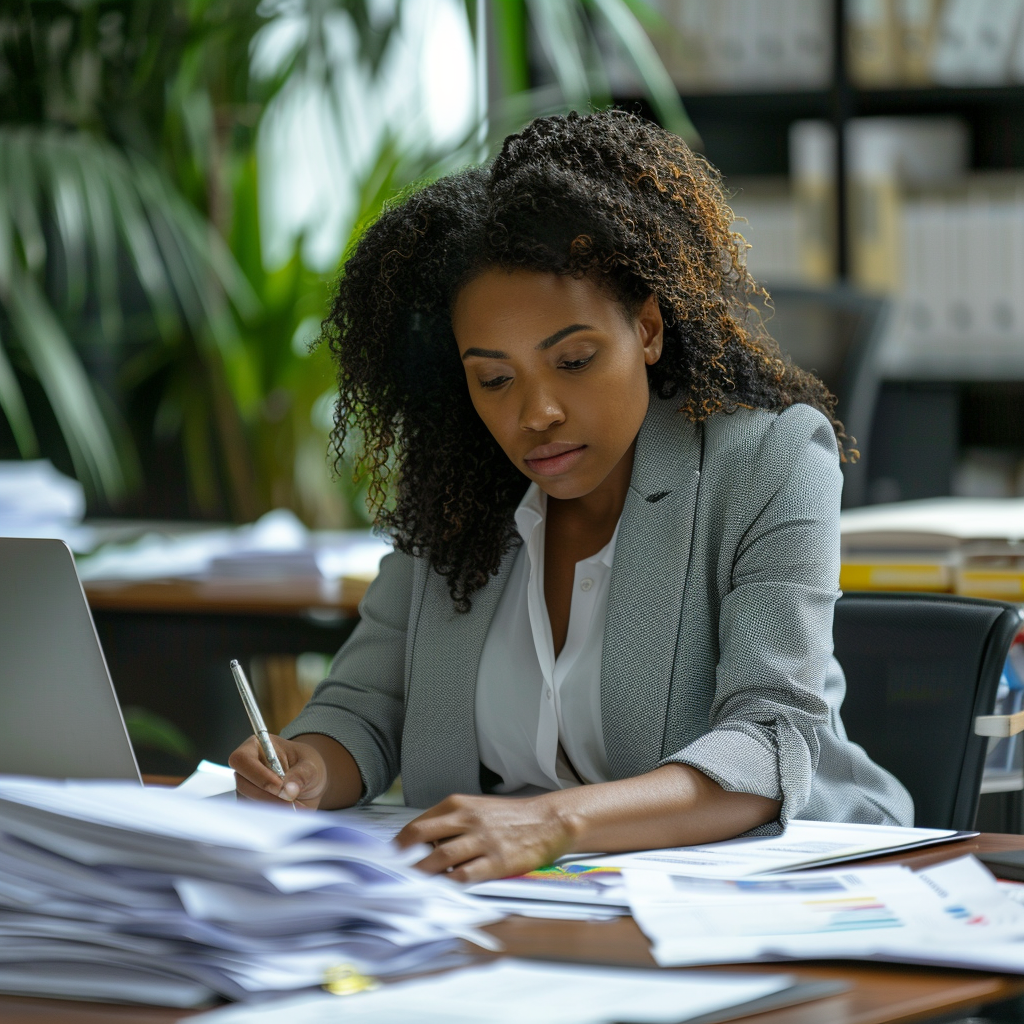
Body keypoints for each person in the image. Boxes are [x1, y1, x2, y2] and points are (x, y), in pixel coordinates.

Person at [230, 110, 913, 882]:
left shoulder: (770, 459)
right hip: (529, 908)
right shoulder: (463, 495)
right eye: (494, 379)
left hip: (786, 891)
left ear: (648, 329)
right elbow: (360, 709)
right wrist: (305, 769)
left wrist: (550, 824)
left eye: (576, 360)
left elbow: (768, 740)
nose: (536, 412)